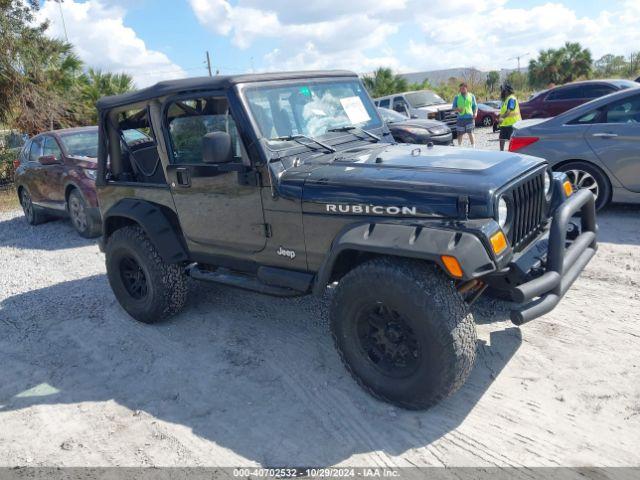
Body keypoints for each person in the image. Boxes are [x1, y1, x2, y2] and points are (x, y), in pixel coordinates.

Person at [497, 83, 521, 151]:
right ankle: (501, 152)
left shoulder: (512, 99)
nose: (501, 92)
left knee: (512, 140)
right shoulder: (506, 100)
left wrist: (502, 118)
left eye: (503, 90)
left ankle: (513, 153)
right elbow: (503, 111)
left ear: (507, 91)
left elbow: (509, 111)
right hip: (505, 124)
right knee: (501, 138)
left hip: (513, 124)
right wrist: (499, 116)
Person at [452, 82, 477, 147]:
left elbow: (475, 106)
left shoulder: (472, 96)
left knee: (470, 132)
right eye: (461, 88)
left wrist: (475, 113)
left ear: (466, 88)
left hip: (469, 117)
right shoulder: (456, 97)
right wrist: (458, 109)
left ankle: (473, 147)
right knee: (460, 134)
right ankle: (459, 147)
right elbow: (453, 107)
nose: (462, 89)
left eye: (463, 88)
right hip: (460, 118)